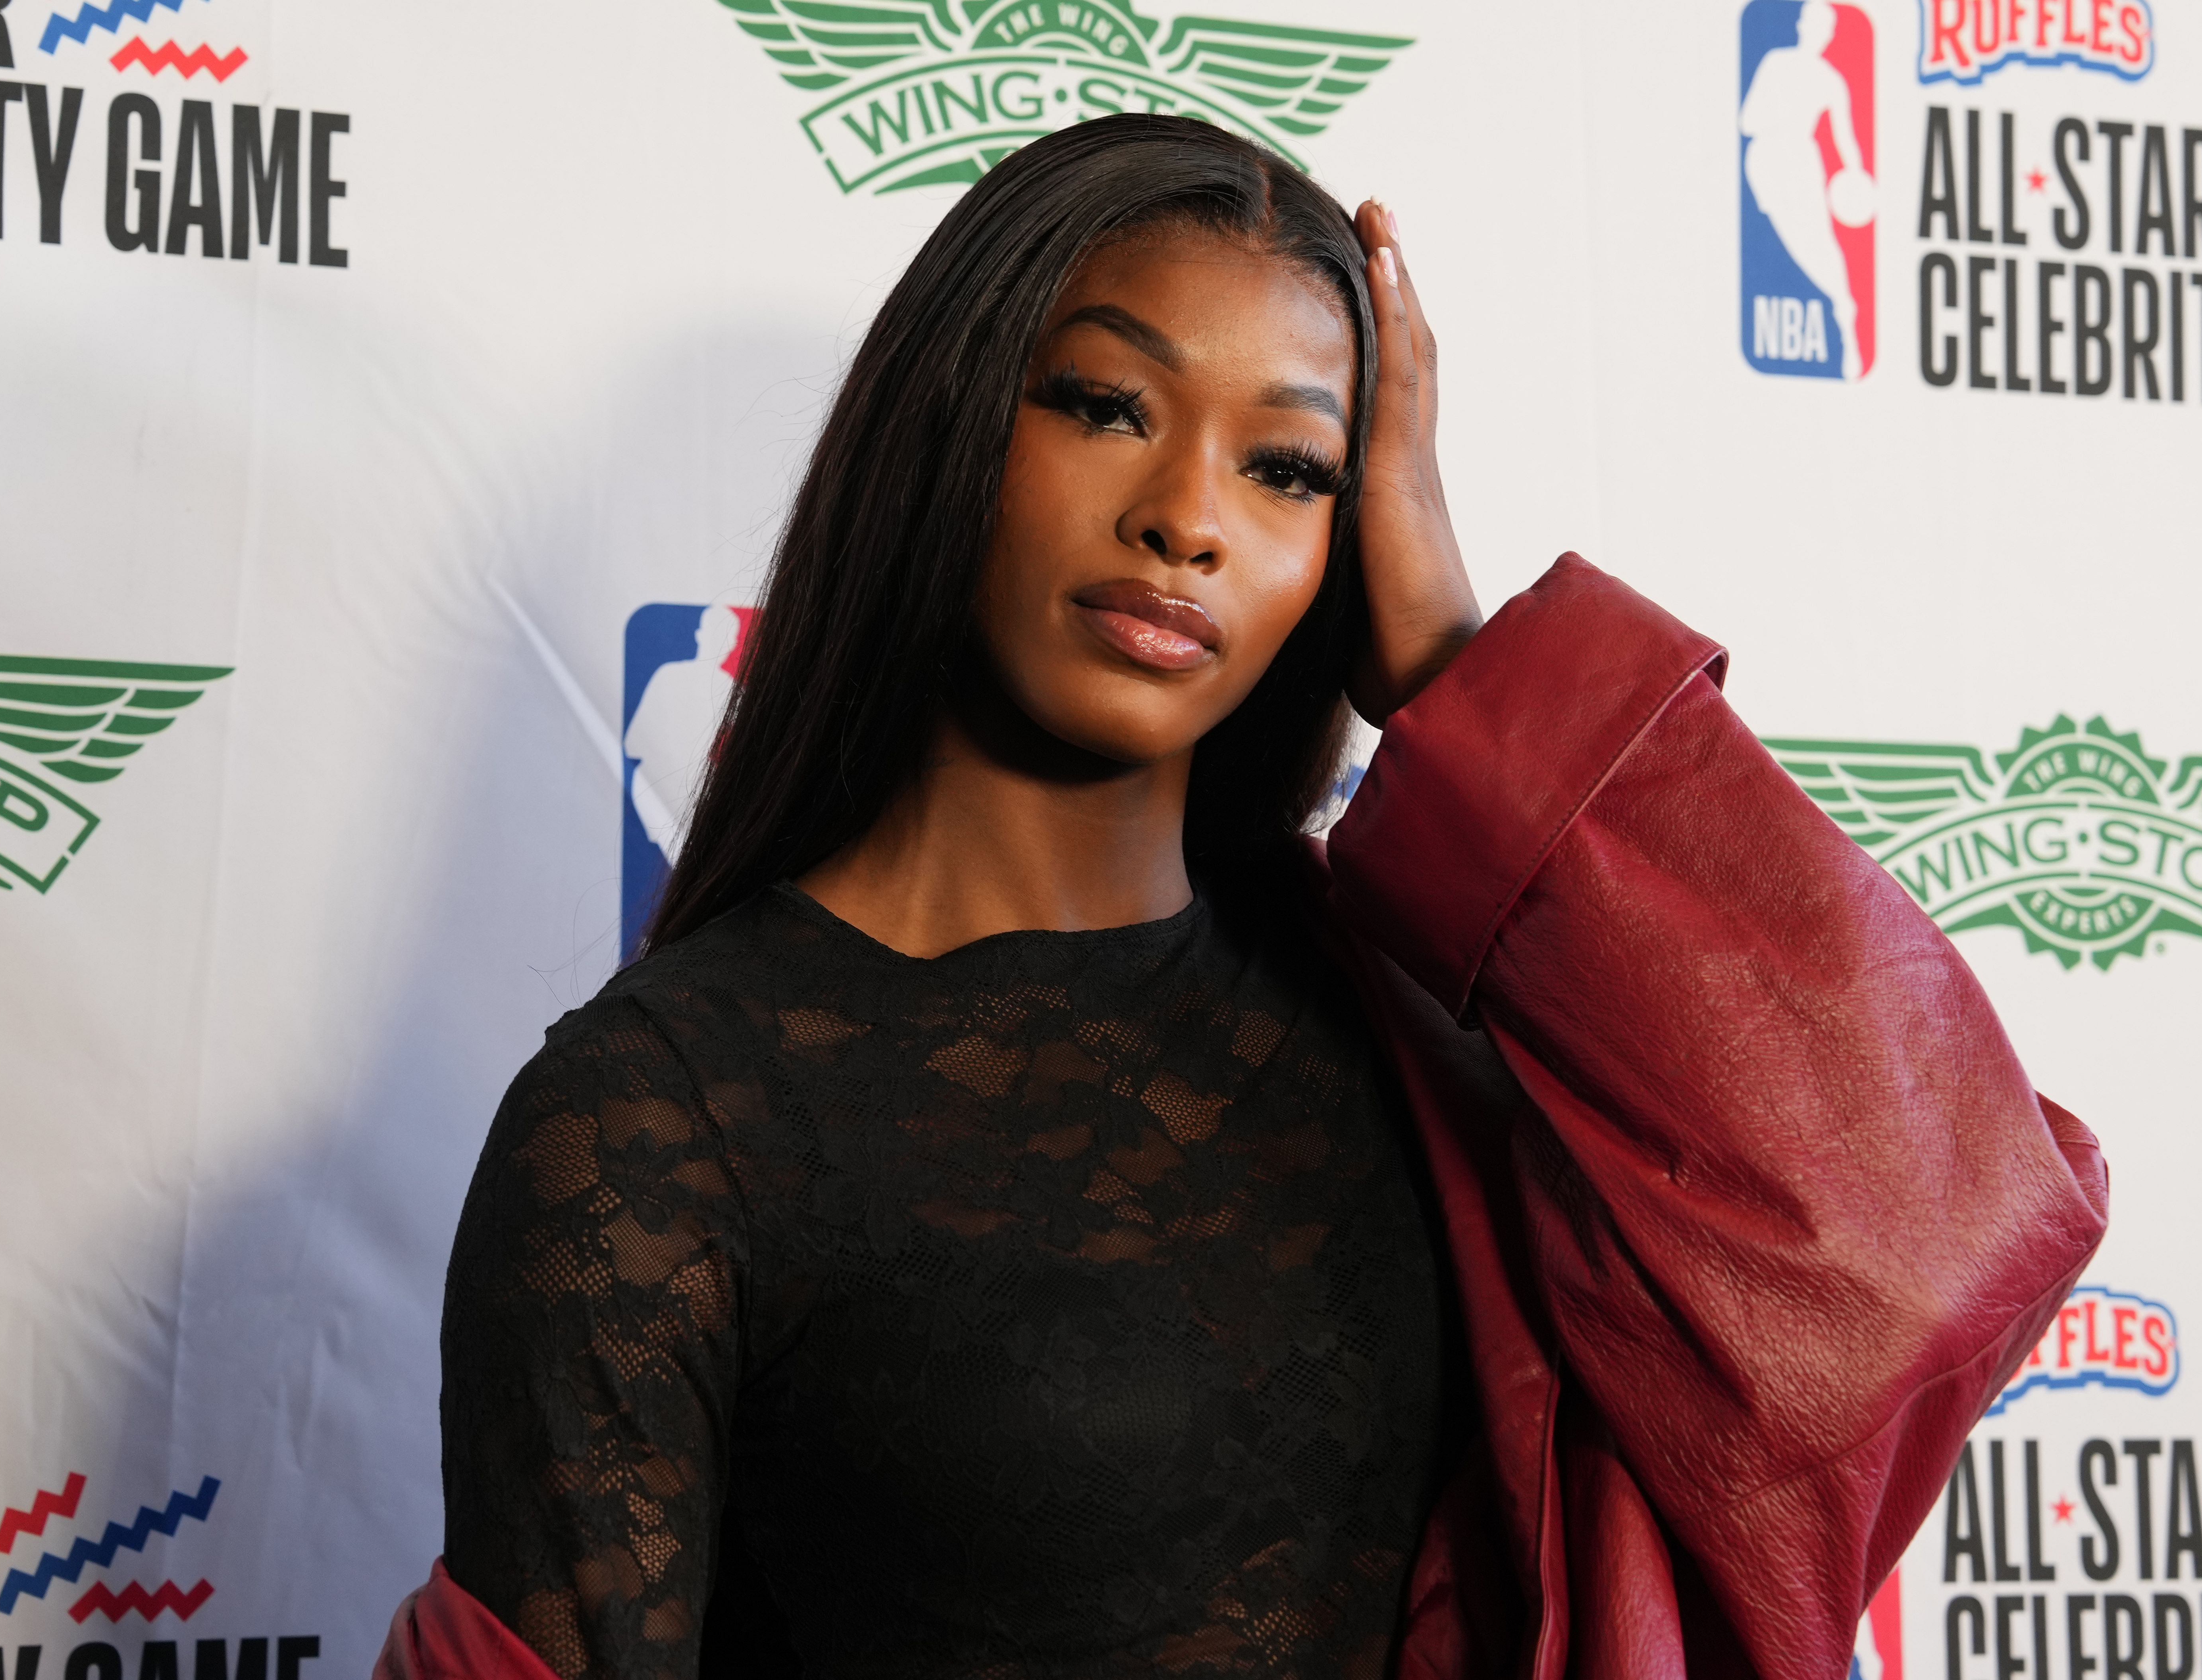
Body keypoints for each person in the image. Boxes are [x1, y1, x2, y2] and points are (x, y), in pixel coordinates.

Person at [384, 116, 2106, 1680]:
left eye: (1286, 468)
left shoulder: (1404, 1015)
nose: (1186, 517)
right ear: (953, 425)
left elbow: (1922, 1234)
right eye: (1106, 405)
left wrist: (1453, 664)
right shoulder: (654, 1120)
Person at [1741, 0, 1874, 377]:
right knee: (1794, 244)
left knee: (1819, 242)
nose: (1819, 33)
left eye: (1825, 27)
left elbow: (1846, 138)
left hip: (1800, 162)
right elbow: (1747, 121)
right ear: (1802, 26)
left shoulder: (1832, 80)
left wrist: (1857, 178)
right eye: (1814, 25)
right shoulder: (1776, 63)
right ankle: (1844, 312)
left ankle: (1846, 320)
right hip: (1768, 163)